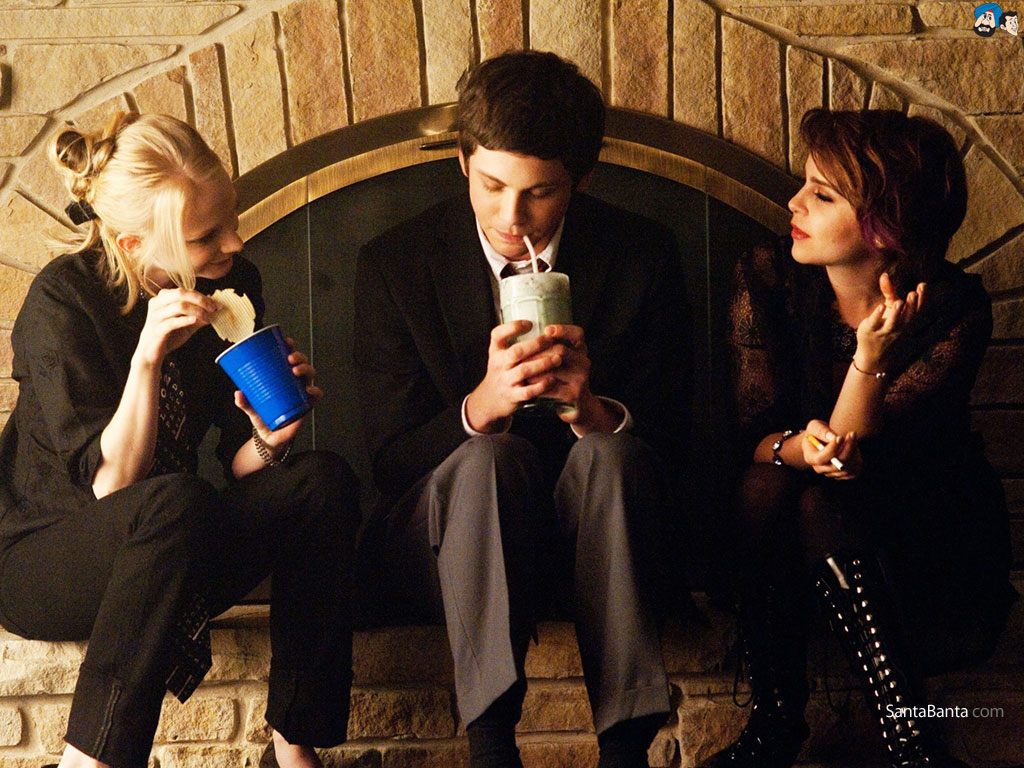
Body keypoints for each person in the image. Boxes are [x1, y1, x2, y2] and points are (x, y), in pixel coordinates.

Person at [353, 50, 690, 768]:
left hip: (599, 540)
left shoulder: (642, 254)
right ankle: (491, 749)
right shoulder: (396, 264)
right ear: (462, 161)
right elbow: (389, 464)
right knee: (488, 457)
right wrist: (481, 407)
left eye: (539, 193)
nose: (511, 216)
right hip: (447, 542)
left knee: (610, 455)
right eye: (492, 185)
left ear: (580, 180)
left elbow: (676, 446)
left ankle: (625, 752)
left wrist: (592, 412)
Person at [0, 113, 360, 768]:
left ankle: (293, 743)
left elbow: (239, 465)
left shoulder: (232, 281)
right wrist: (148, 357)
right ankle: (91, 760)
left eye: (232, 219)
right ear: (134, 243)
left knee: (321, 481)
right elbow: (111, 487)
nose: (235, 242)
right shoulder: (64, 301)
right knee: (176, 500)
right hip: (45, 556)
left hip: (172, 539)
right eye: (206, 236)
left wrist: (270, 436)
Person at [701, 109, 1016, 768]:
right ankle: (778, 721)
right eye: (804, 185)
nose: (794, 203)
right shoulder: (768, 276)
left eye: (822, 195)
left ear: (885, 224)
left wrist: (869, 360)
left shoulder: (953, 309)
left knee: (823, 500)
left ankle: (908, 737)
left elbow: (868, 455)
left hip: (915, 536)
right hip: (790, 520)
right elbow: (752, 433)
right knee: (767, 484)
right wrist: (802, 448)